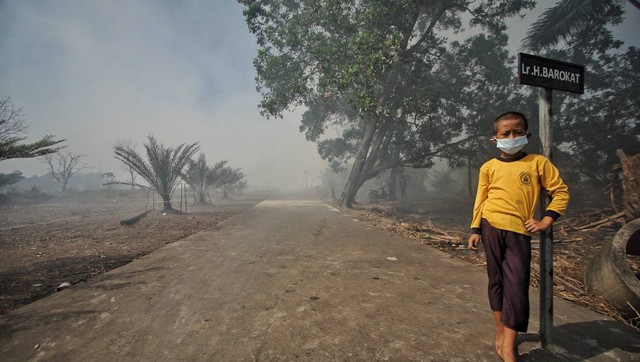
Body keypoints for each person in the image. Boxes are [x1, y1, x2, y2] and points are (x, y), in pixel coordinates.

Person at [467, 111, 569, 362]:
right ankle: (501, 330)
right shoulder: (488, 167)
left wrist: (545, 221)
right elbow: (481, 200)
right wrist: (475, 229)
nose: (512, 137)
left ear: (527, 135)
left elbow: (561, 192)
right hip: (491, 226)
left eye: (517, 132)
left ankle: (509, 347)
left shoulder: (537, 163)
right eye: (506, 133)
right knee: (496, 280)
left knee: (517, 287)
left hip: (520, 231)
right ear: (495, 139)